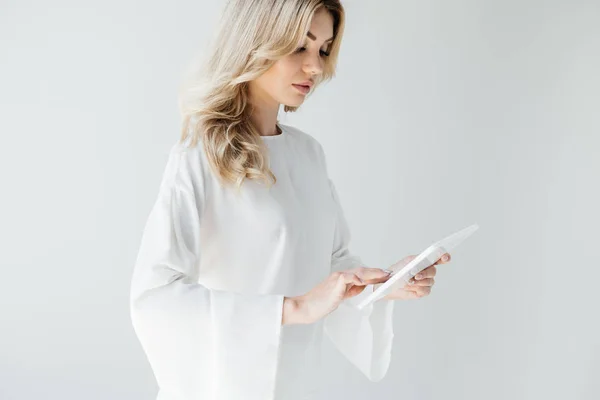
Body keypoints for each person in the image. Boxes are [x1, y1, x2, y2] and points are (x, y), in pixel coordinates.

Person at [129, 1, 451, 399]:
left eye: (323, 49)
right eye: (300, 46)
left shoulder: (308, 154)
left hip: (299, 385)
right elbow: (155, 294)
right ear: (256, 42)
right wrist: (294, 308)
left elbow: (330, 264)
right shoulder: (199, 155)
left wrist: (386, 284)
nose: (315, 67)